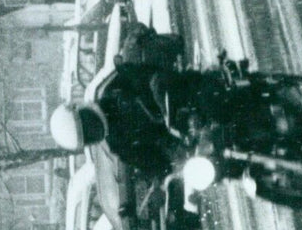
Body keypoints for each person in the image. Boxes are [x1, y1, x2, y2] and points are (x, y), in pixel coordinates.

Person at [50, 59, 204, 176]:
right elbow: (152, 163)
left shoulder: (112, 91)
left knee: (174, 86)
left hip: (179, 99)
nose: (93, 128)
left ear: (81, 108)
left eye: (87, 123)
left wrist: (154, 95)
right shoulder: (120, 146)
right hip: (183, 134)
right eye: (89, 134)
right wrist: (169, 169)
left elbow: (139, 73)